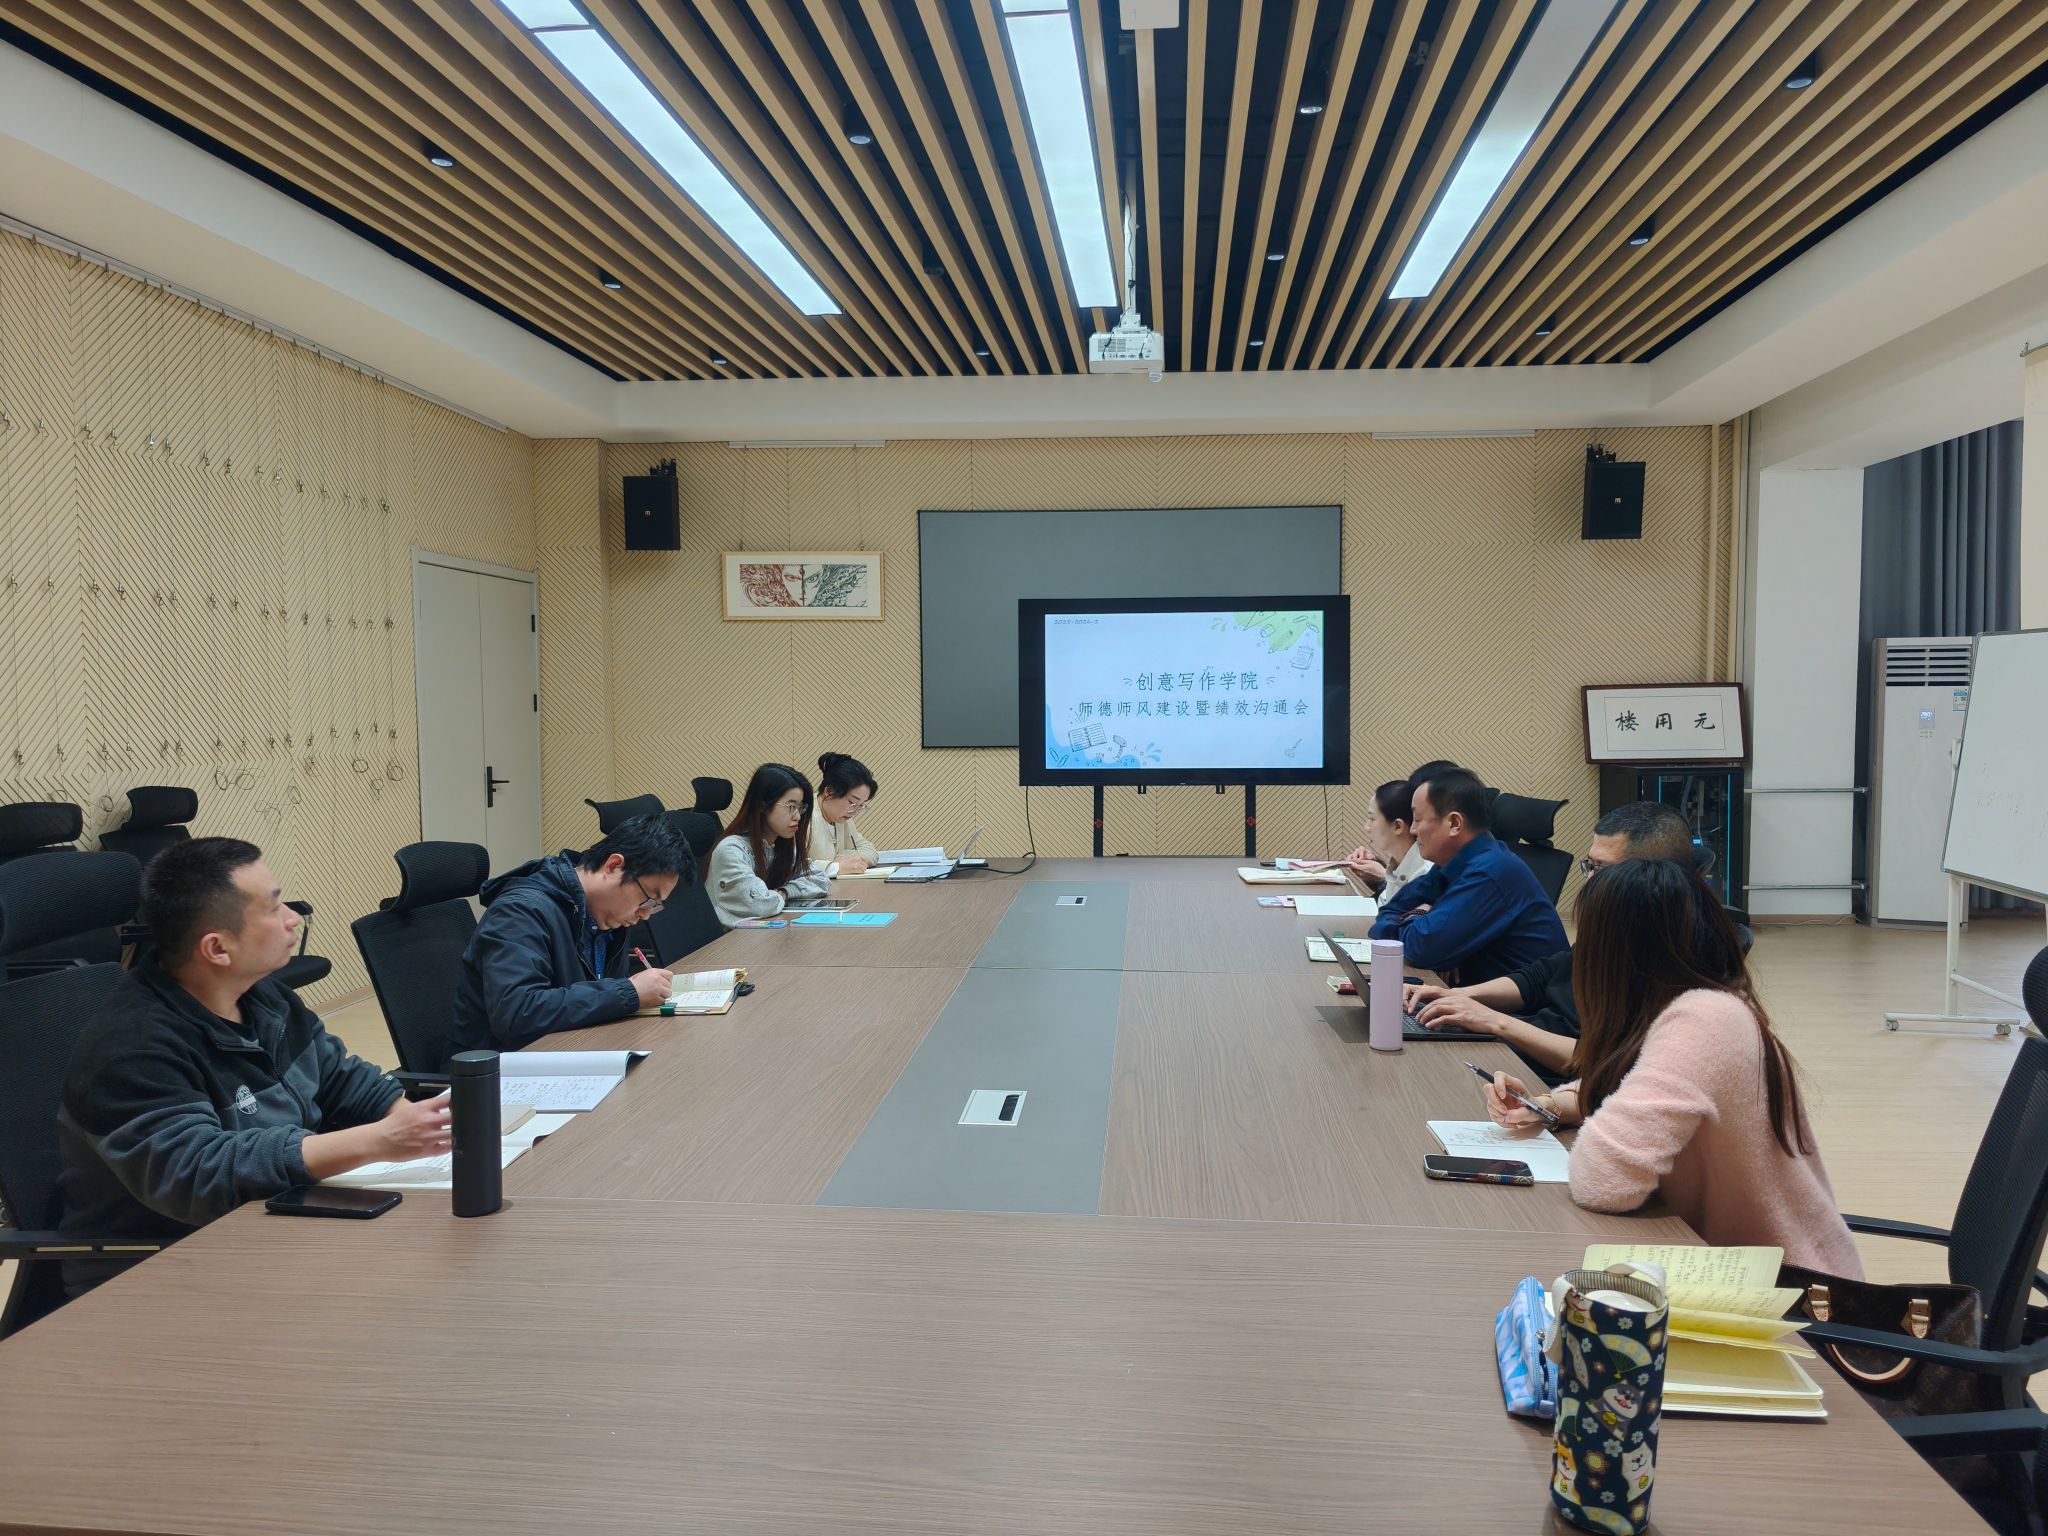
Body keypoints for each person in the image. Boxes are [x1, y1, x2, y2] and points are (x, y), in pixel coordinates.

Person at [55, 838, 450, 1294]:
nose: (293, 918)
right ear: (218, 948)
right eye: (273, 907)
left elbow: (339, 1079)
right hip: (161, 1269)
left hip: (273, 1225)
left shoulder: (263, 996)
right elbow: (199, 1175)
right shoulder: (132, 1048)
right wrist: (379, 1141)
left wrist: (421, 1125)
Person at [1481, 858, 1859, 1273]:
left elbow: (1602, 1181)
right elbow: (1624, 1084)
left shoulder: (1705, 1021)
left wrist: (1589, 1115)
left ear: (1617, 954)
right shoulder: (1693, 1005)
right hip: (1724, 1263)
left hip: (1788, 1289)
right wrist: (1548, 1105)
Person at [1404, 801, 1695, 1079]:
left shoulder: (1671, 962)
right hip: (1523, 1046)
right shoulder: (1615, 923)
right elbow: (1542, 976)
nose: (1589, 881)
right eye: (1589, 866)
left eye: (1602, 869)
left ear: (1652, 876)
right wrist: (1457, 996)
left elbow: (1604, 1066)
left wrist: (1495, 1022)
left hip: (1552, 1078)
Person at [446, 815, 686, 1058]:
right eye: (647, 899)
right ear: (613, 866)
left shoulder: (608, 919)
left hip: (572, 1052)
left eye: (655, 905)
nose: (645, 914)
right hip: (500, 1070)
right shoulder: (520, 912)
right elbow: (517, 1014)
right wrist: (627, 992)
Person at [1369, 767, 1566, 983]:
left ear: (1454, 824)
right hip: (1473, 993)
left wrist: (1416, 916)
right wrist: (1418, 920)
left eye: (1417, 819)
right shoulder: (1454, 862)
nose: (1413, 830)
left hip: (1525, 1003)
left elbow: (1419, 948)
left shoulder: (1489, 872)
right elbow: (1389, 912)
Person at [708, 763, 833, 925]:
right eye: (791, 807)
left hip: (763, 932)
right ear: (763, 806)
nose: (797, 816)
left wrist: (784, 892)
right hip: (731, 938)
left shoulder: (779, 846)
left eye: (800, 808)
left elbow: (820, 879)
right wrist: (779, 896)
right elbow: (760, 904)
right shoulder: (731, 849)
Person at [1334, 778, 1433, 898]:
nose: (1366, 827)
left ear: (1397, 826)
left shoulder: (1425, 875)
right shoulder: (1399, 865)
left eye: (1372, 819)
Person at [810, 752, 880, 875]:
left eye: (860, 806)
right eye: (852, 802)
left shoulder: (842, 817)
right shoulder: (803, 816)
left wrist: (842, 858)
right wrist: (835, 867)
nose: (855, 812)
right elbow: (790, 866)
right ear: (829, 791)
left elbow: (870, 850)